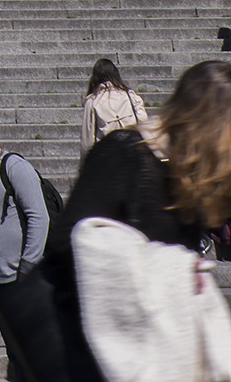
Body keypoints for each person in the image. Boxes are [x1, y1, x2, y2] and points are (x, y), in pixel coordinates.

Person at [42, 60, 231, 382]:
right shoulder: (124, 153)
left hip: (159, 353)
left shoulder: (188, 177)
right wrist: (167, 267)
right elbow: (64, 245)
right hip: (101, 355)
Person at [0, 112, 63, 382]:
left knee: (36, 354)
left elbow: (39, 217)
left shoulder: (14, 166)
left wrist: (27, 269)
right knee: (16, 354)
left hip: (23, 280)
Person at [80, 58, 147, 155]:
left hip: (107, 157)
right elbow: (143, 124)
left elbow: (87, 141)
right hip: (131, 154)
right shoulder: (131, 97)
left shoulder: (92, 102)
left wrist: (85, 162)